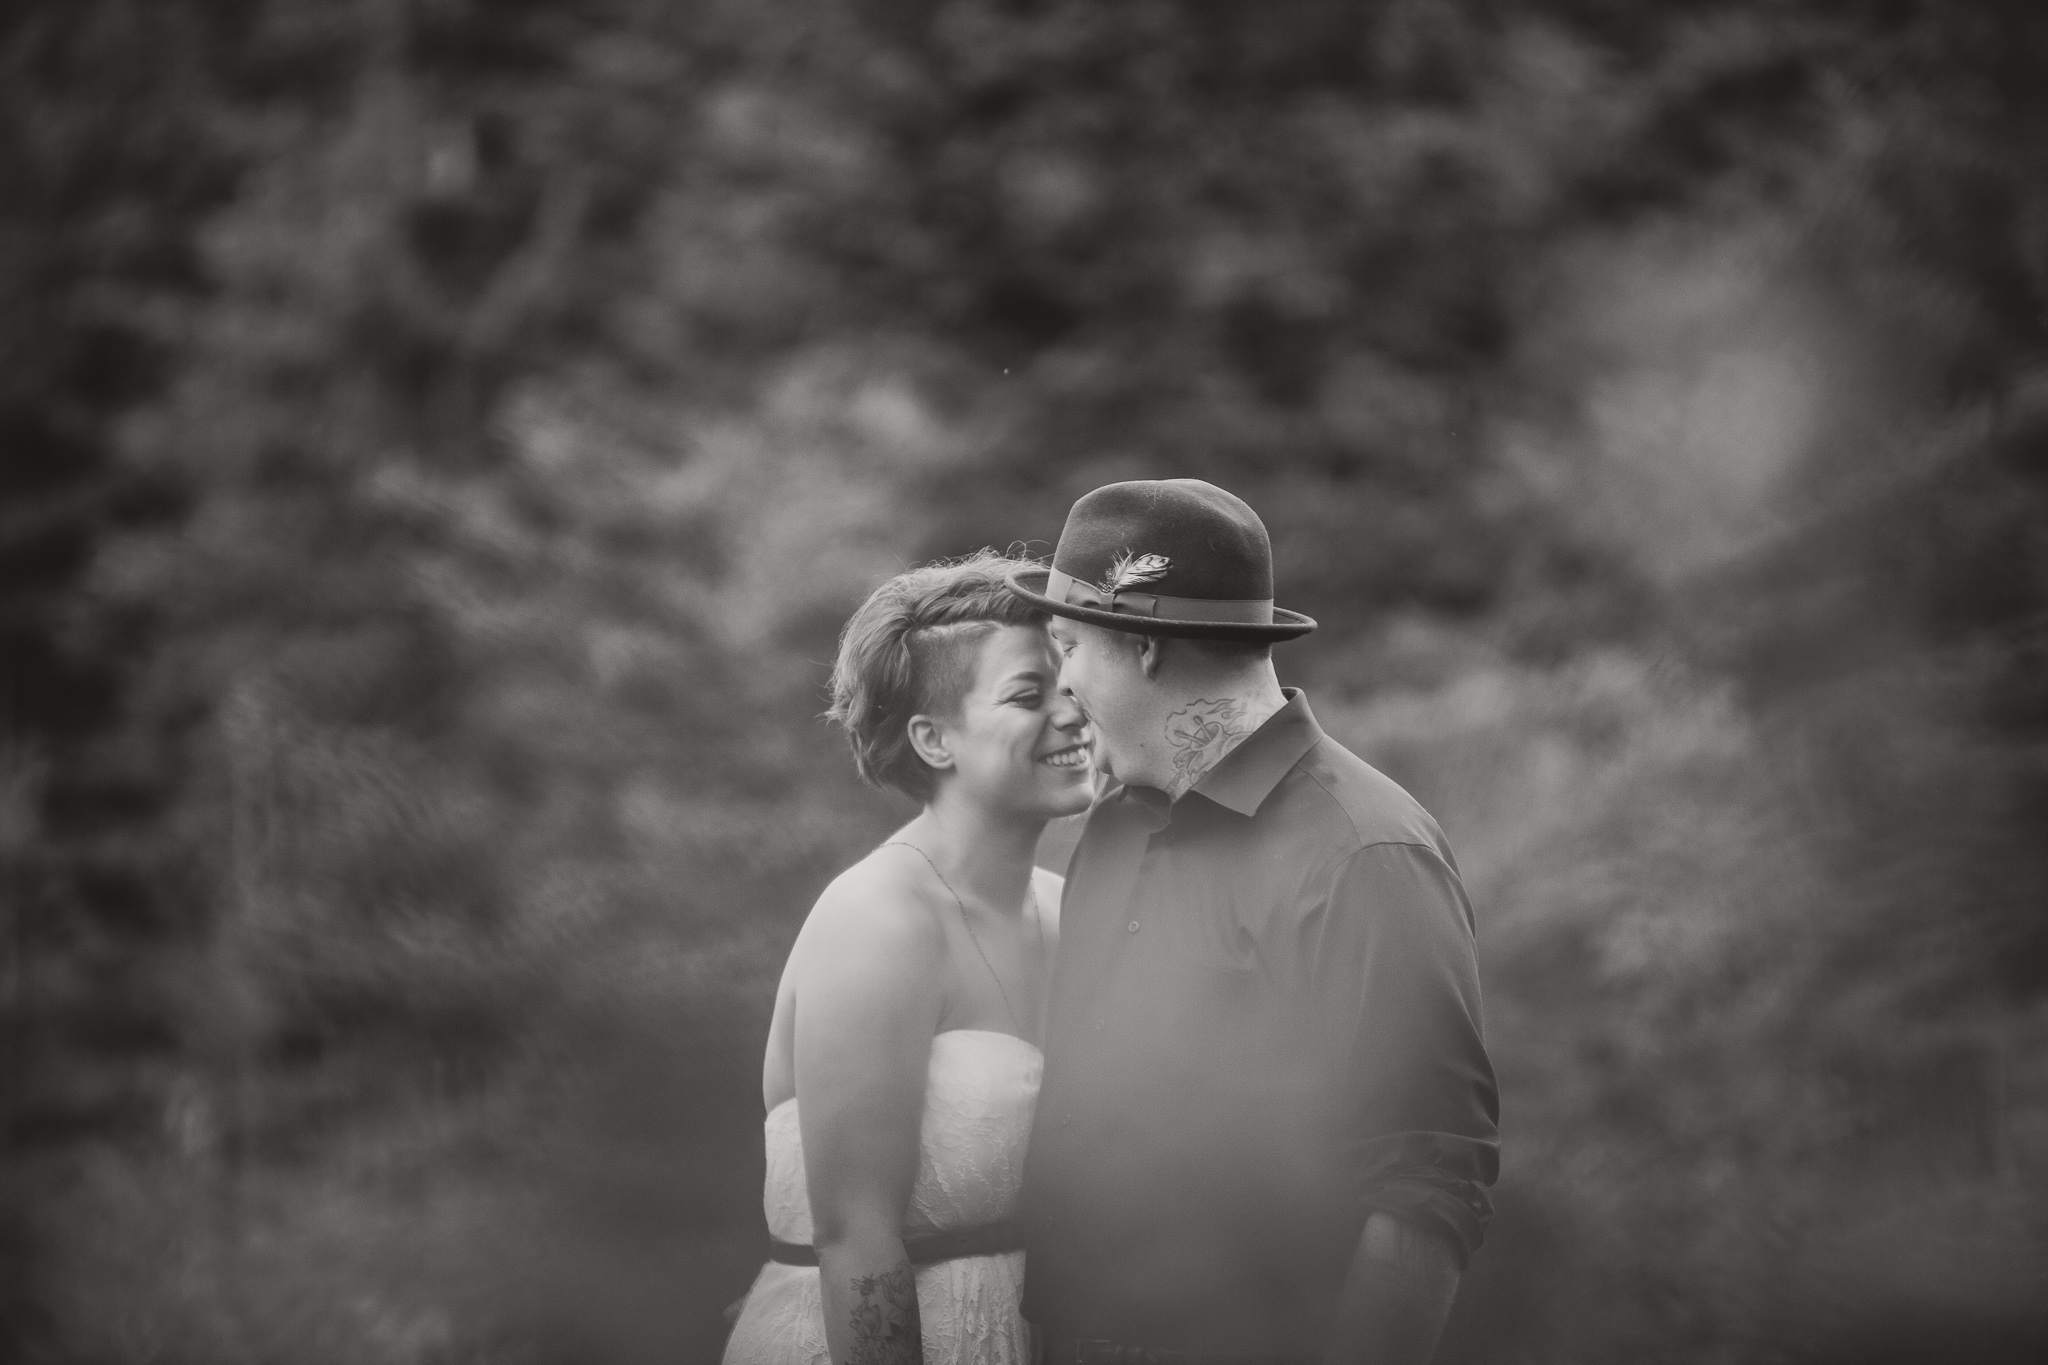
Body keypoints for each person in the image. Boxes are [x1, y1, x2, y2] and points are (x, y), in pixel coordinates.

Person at [1006, 480, 1500, 1365]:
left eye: (1070, 646)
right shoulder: (1112, 825)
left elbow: (1426, 1189)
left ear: (1144, 647)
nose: (1065, 684)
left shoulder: (1366, 854)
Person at [723, 550, 1094, 1365]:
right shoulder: (878, 918)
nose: (1075, 712)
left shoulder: (1070, 908)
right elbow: (855, 1238)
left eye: (1072, 684)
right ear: (933, 737)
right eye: (1031, 694)